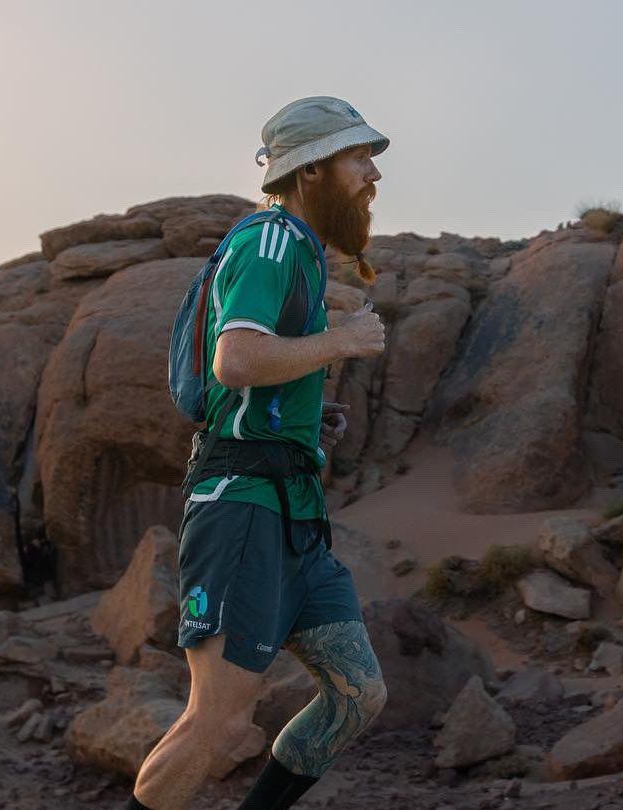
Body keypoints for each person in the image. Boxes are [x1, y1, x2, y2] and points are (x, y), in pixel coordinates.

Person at [126, 96, 391, 810]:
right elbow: (235, 360)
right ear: (309, 172)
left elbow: (256, 383)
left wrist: (307, 420)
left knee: (357, 695)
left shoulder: (302, 251)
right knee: (217, 721)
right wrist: (343, 341)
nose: (372, 175)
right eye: (357, 158)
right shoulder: (270, 240)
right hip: (241, 508)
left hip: (293, 512)